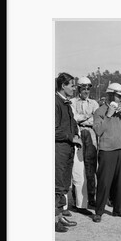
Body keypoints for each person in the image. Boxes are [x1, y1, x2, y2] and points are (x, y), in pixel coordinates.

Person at [92, 83, 121, 223]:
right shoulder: (100, 111)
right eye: (119, 96)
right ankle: (99, 211)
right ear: (110, 95)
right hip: (107, 150)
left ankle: (119, 209)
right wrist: (109, 116)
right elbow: (98, 130)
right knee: (104, 181)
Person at [55, 72, 81, 232]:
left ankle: (59, 216)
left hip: (68, 149)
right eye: (71, 85)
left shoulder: (66, 103)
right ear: (63, 86)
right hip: (59, 149)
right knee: (56, 186)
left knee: (64, 185)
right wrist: (71, 137)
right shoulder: (55, 103)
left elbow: (72, 124)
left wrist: (76, 134)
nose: (74, 88)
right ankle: (54, 220)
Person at [70, 76, 99, 207]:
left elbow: (96, 120)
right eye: (84, 88)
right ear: (79, 88)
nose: (86, 91)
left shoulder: (94, 103)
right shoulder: (72, 102)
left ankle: (91, 196)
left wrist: (84, 119)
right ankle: (78, 198)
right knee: (78, 165)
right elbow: (74, 118)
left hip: (91, 134)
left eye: (88, 88)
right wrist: (88, 116)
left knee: (91, 166)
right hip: (78, 133)